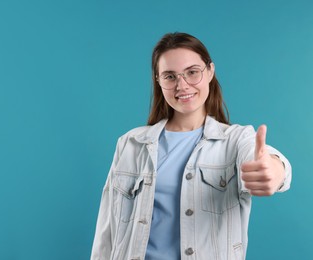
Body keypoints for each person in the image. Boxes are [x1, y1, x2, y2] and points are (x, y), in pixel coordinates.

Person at [90, 32, 292, 260]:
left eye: (192, 72)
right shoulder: (130, 143)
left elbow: (269, 163)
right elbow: (107, 232)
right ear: (158, 80)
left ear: (210, 72)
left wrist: (273, 171)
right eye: (170, 76)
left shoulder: (236, 140)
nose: (182, 85)